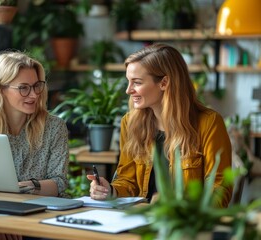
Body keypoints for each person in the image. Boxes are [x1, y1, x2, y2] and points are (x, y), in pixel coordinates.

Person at [87, 43, 233, 208]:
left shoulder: (209, 123)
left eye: (137, 82)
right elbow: (127, 181)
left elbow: (220, 189)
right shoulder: (130, 123)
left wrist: (182, 208)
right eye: (129, 81)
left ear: (164, 83)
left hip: (180, 226)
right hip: (140, 221)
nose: (128, 90)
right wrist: (110, 190)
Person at [0, 51, 69, 197]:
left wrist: (29, 186)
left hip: (41, 210)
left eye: (37, 86)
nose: (34, 95)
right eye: (23, 88)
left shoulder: (54, 127)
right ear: (0, 89)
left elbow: (59, 183)